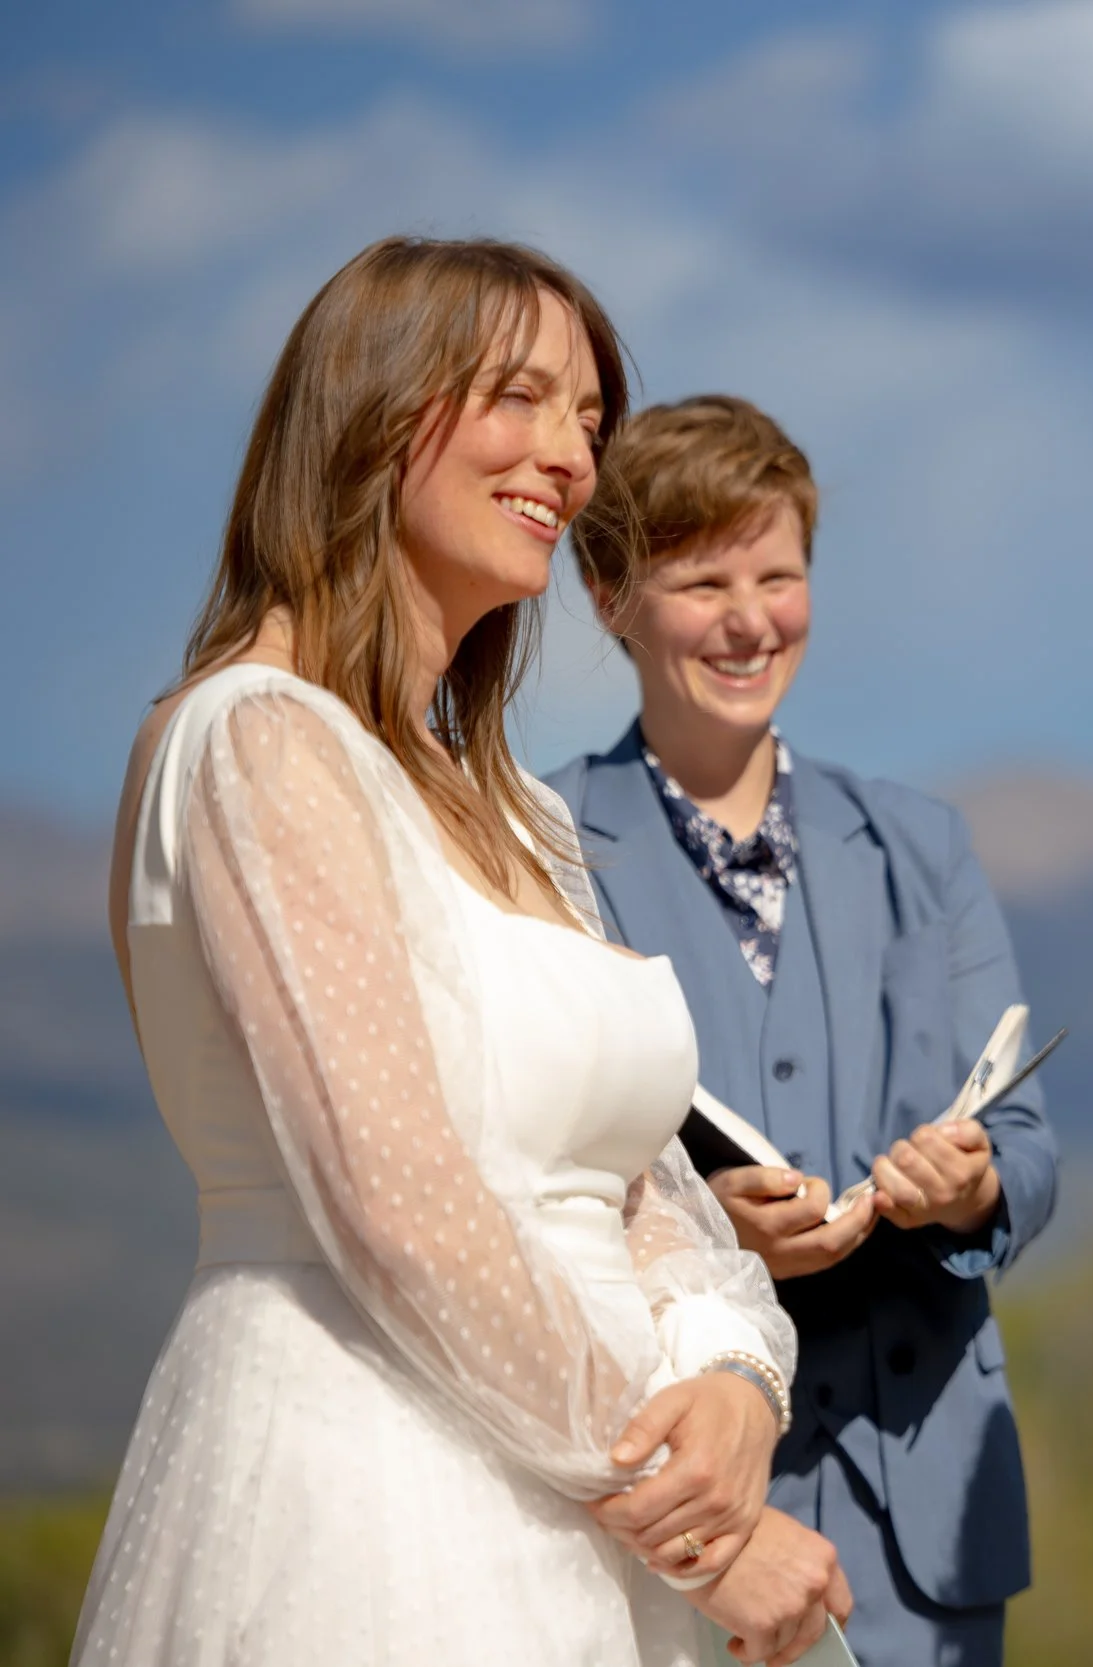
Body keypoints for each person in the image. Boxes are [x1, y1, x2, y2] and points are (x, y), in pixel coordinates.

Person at [79, 237, 848, 1667]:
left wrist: (737, 1376)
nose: (572, 456)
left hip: (606, 1504)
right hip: (383, 1494)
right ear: (370, 408)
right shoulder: (260, 739)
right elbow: (398, 1202)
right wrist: (696, 1529)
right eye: (520, 398)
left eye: (589, 420)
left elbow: (647, 1188)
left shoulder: (520, 808)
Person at [547, 394, 1057, 1667]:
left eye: (778, 575)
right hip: (681, 1510)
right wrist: (708, 1227)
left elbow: (1029, 1150)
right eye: (701, 581)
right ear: (609, 597)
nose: (749, 619)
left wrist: (969, 1185)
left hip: (922, 1529)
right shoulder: (541, 849)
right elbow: (522, 1175)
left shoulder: (922, 845)